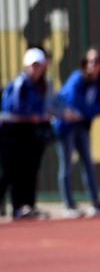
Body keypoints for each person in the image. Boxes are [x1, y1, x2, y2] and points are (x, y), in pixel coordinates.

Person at [55, 47, 100, 218]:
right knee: (66, 165)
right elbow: (77, 106)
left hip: (82, 126)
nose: (92, 65)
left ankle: (96, 203)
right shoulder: (77, 79)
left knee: (88, 163)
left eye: (96, 61)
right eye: (89, 61)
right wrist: (99, 109)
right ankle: (69, 205)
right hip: (66, 126)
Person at [0, 47, 52, 220]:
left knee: (28, 170)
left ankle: (24, 206)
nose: (36, 69)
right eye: (33, 65)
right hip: (12, 132)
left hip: (29, 133)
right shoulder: (19, 84)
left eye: (39, 65)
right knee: (10, 171)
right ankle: (15, 206)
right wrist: (33, 116)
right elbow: (13, 109)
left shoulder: (41, 86)